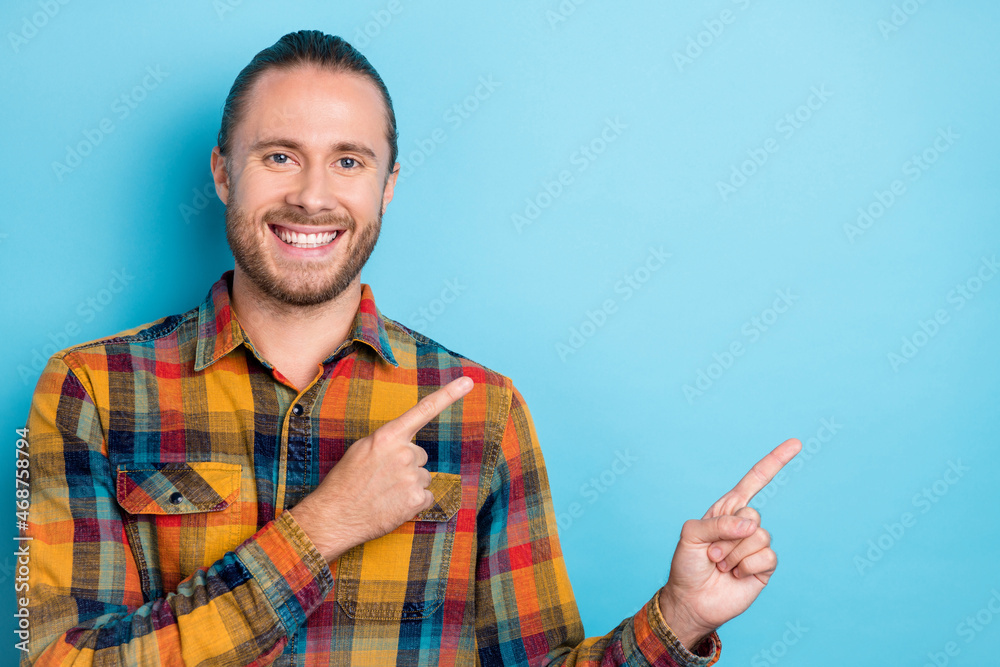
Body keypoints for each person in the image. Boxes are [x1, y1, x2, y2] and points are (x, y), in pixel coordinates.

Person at [21, 30, 801, 666]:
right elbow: (59, 661)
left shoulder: (483, 412)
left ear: (387, 186)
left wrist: (679, 617)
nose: (313, 195)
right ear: (224, 174)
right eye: (279, 155)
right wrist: (321, 527)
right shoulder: (92, 389)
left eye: (349, 161)